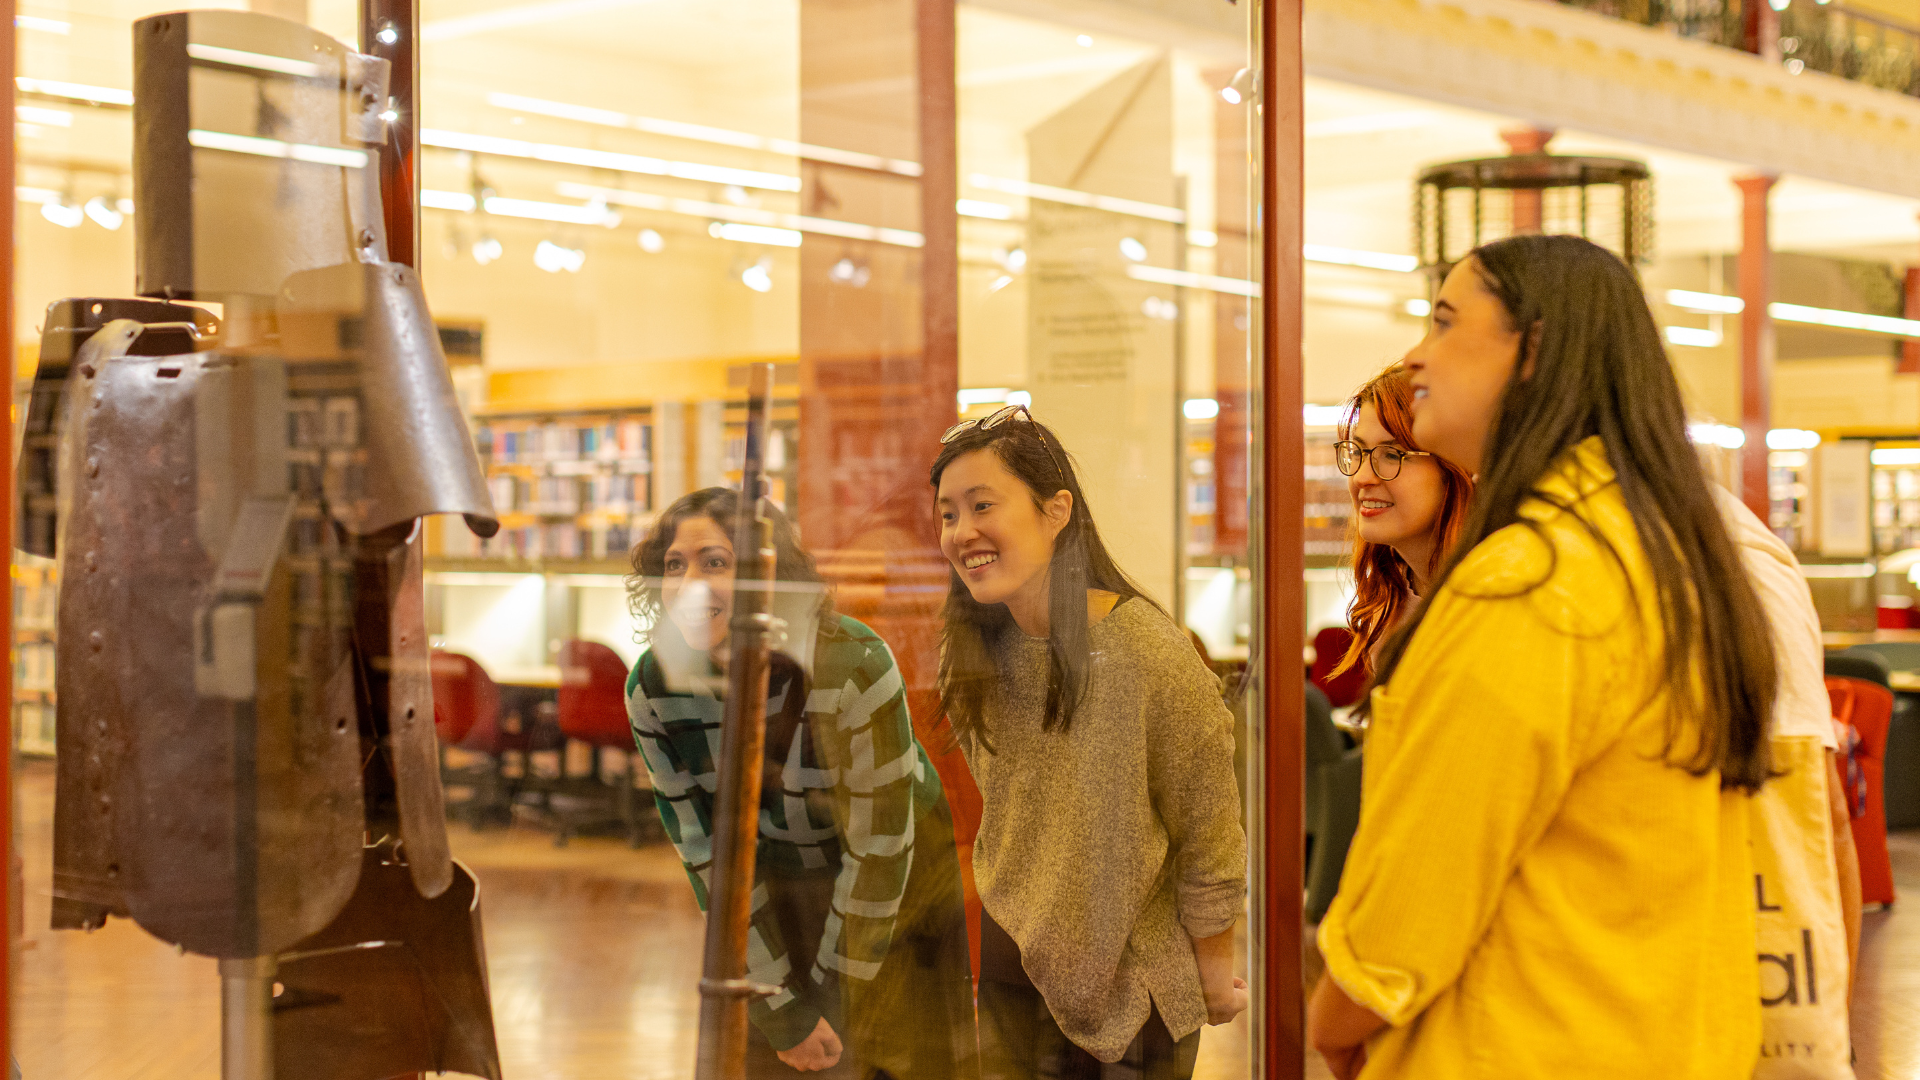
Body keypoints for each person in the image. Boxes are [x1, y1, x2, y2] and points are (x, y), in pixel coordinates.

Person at [1307, 235, 1777, 1079]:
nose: (1418, 355)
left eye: (1447, 322)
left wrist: (1335, 1018)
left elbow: (1413, 901)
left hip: (1525, 1039)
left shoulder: (1530, 583)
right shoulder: (1660, 554)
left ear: (1535, 354)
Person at [931, 405, 1248, 1079]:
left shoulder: (1144, 651)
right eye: (948, 513)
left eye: (982, 504)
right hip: (1016, 968)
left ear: (1057, 510)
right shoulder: (973, 654)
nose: (963, 532)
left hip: (1134, 996)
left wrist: (1217, 973)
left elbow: (1210, 831)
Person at [625, 487, 976, 1079]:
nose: (690, 585)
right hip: (776, 877)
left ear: (771, 577)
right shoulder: (654, 688)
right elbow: (711, 860)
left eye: (715, 562)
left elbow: (879, 851)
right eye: (674, 565)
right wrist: (782, 1008)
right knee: (774, 1052)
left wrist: (832, 1004)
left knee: (893, 1056)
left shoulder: (852, 663)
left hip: (900, 884)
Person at [1330, 363, 1475, 679]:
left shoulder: (1494, 594)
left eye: (1392, 455)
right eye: (1358, 452)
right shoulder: (1391, 594)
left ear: (1453, 468)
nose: (1362, 476)